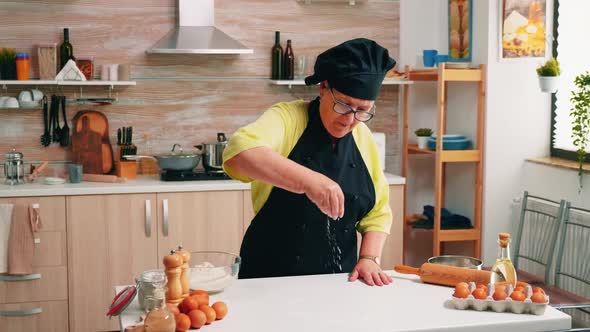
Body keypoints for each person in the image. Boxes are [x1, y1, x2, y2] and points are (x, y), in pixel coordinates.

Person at [222, 38, 396, 286]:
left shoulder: (362, 137)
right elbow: (239, 153)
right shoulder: (287, 118)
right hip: (269, 279)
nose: (350, 119)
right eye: (344, 105)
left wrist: (369, 257)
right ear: (324, 87)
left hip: (338, 281)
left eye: (362, 110)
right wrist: (309, 181)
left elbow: (378, 212)